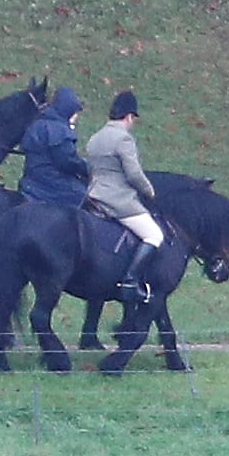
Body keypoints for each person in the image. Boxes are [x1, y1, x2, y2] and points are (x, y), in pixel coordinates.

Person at [84, 90, 162, 304]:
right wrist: (149, 191)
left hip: (92, 197)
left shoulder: (95, 138)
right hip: (117, 201)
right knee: (155, 234)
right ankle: (130, 282)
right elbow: (134, 174)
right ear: (129, 116)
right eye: (133, 120)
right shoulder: (123, 139)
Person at [18, 86, 88, 208]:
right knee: (85, 197)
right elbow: (67, 162)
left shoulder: (38, 124)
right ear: (68, 110)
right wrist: (88, 168)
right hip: (52, 184)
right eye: (75, 113)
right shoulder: (59, 130)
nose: (76, 118)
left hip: (31, 181)